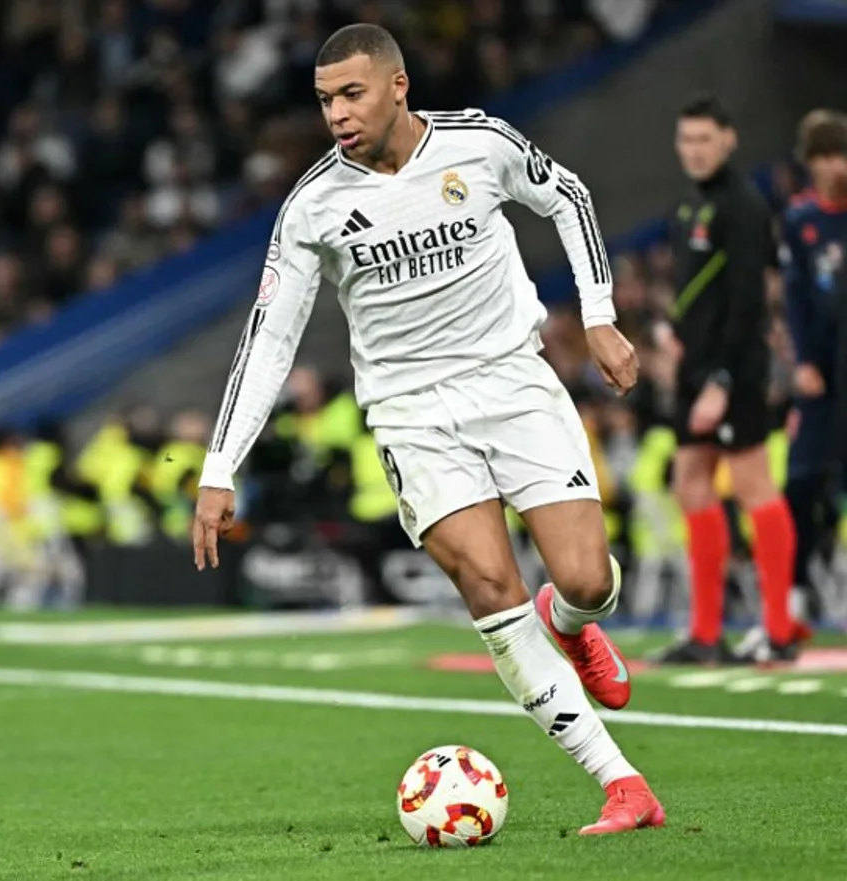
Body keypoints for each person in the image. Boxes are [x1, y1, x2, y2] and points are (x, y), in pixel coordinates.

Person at [191, 24, 662, 836]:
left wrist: (600, 318)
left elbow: (569, 195)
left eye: (351, 93)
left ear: (398, 86)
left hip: (513, 383)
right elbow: (270, 336)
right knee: (488, 586)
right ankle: (622, 782)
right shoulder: (313, 207)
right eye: (324, 99)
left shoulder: (478, 144)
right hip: (412, 414)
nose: (336, 113)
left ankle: (573, 622)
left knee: (585, 577)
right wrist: (219, 465)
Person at [653, 95, 799, 664]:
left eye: (704, 140)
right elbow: (696, 292)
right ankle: (707, 634)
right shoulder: (688, 208)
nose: (694, 151)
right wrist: (671, 329)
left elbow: (746, 302)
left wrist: (720, 379)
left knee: (753, 485)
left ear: (728, 140)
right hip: (696, 365)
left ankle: (780, 628)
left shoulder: (744, 207)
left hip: (733, 368)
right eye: (686, 140)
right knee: (689, 484)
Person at [775, 110, 847, 629]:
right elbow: (796, 298)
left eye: (839, 153)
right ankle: (794, 592)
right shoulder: (800, 220)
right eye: (823, 155)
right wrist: (801, 361)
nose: (833, 166)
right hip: (818, 373)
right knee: (800, 483)